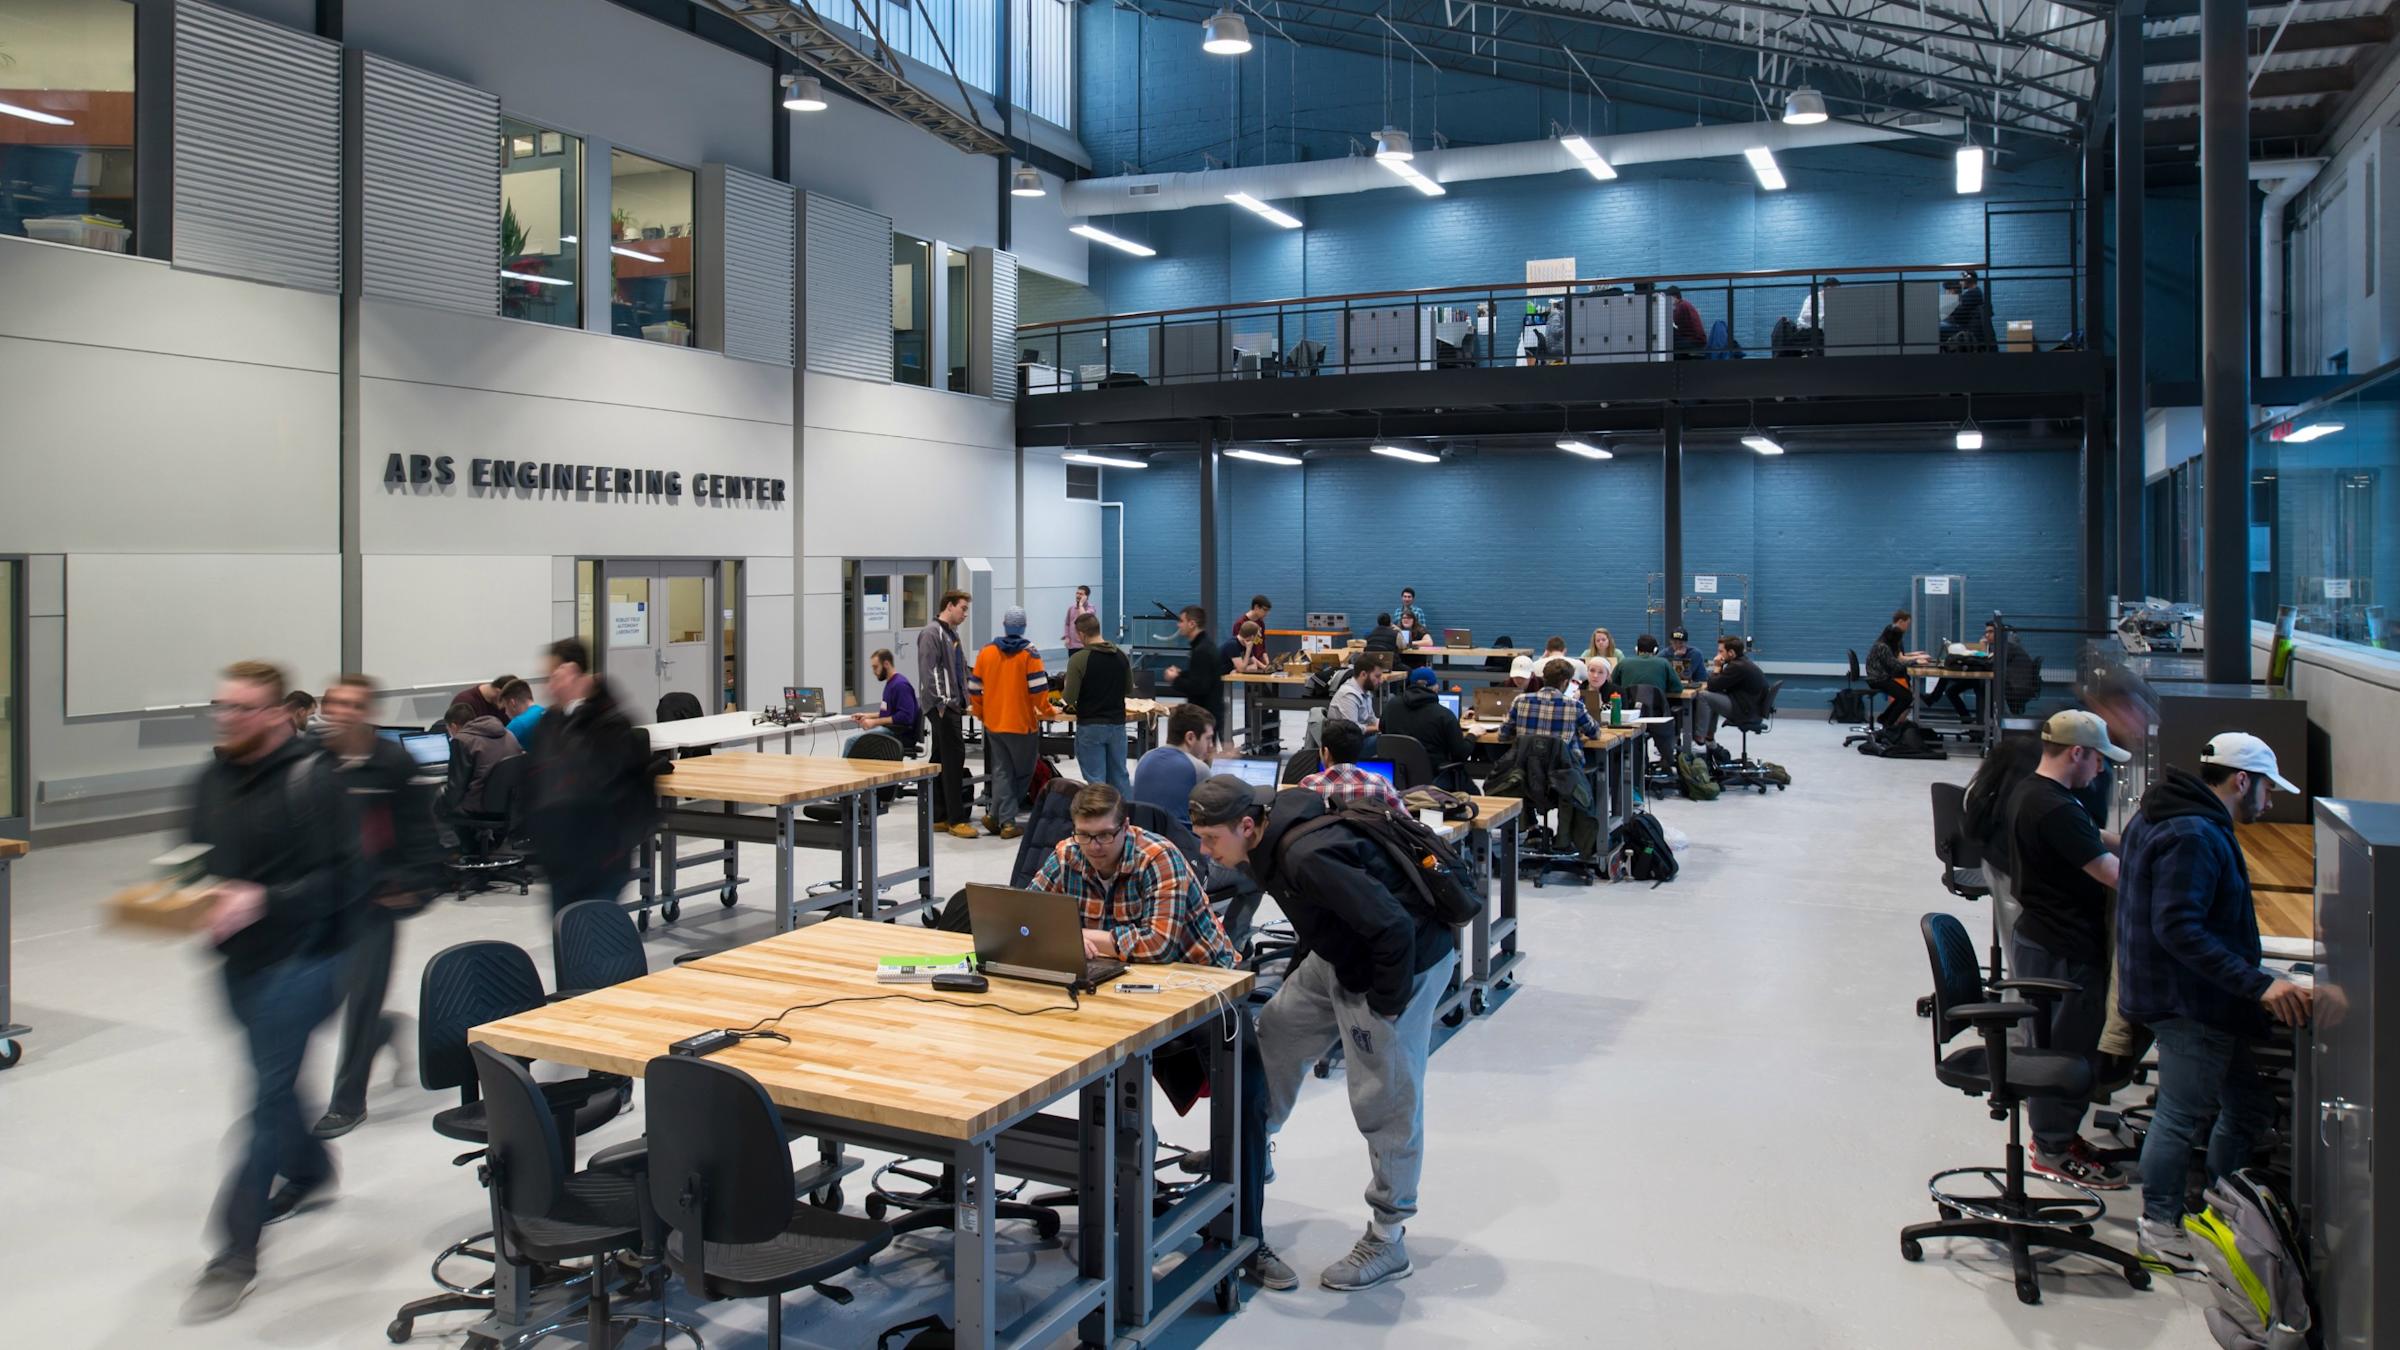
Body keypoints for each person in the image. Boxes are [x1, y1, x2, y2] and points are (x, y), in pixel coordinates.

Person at [1187, 773, 1459, 1293]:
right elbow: (1320, 917)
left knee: (1386, 1099)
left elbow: (1393, 929)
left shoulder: (1306, 855)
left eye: (1211, 839)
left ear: (1246, 825)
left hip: (1400, 967)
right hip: (1339, 955)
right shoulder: (1269, 839)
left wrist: (1384, 1008)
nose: (1204, 850)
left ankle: (1388, 1235)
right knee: (1275, 1036)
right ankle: (1250, 1147)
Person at [179, 660, 362, 1322]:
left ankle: (234, 1252)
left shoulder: (314, 781)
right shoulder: (209, 780)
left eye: (242, 708)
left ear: (275, 713)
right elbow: (193, 856)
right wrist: (185, 896)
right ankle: (311, 1170)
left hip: (308, 958)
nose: (228, 719)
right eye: (221, 706)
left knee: (262, 1096)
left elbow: (344, 882)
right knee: (273, 1083)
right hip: (238, 962)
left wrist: (262, 900)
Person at [2118, 733, 2309, 1267]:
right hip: (2188, 1004)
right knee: (2179, 1116)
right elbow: (2178, 928)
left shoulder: (2165, 813)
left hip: (2191, 996)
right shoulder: (2195, 833)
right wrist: (2261, 983)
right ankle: (2159, 1228)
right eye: (2267, 788)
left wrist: (2252, 971)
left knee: (2248, 1108)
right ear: (2241, 780)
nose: (2270, 802)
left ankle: (2222, 1213)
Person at [2006, 711, 2132, 1189]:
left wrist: (2144, 843)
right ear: (2077, 753)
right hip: (2060, 946)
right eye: (2099, 759)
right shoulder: (2054, 806)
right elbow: (2112, 873)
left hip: (2047, 934)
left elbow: (2093, 840)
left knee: (2060, 1044)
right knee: (2064, 1050)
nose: (2102, 770)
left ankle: (2058, 1136)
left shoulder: (2042, 794)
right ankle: (2053, 1147)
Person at [311, 674, 439, 1140]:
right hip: (324, 902)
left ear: (367, 712)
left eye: (352, 704)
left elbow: (421, 830)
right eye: (334, 703)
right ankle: (383, 1033)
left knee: (361, 999)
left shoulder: (391, 764)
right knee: (329, 996)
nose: (341, 711)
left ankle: (348, 1103)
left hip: (374, 901)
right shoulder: (314, 762)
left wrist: (416, 884)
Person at [1034, 782, 1238, 968]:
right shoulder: (1067, 854)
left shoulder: (1158, 857)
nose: (1094, 846)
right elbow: (1023, 918)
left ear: (1125, 827)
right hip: (1123, 967)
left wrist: (1075, 937)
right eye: (1085, 835)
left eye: (1105, 835)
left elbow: (1159, 947)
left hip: (1200, 973)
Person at [523, 638, 658, 915]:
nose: (549, 686)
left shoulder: (608, 723)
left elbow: (592, 777)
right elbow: (536, 782)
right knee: (566, 942)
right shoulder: (549, 724)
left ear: (572, 672)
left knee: (592, 943)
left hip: (600, 862)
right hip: (559, 863)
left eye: (554, 676)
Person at [969, 607, 1052, 840]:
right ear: (1023, 627)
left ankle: (995, 816)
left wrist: (980, 712)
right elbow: (1038, 689)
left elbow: (974, 687)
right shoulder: (1030, 653)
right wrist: (1048, 710)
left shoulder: (986, 652)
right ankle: (1007, 822)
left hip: (994, 724)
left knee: (1002, 771)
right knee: (1024, 772)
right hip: (1022, 724)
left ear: (1004, 625)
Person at [916, 589, 977, 839]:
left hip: (953, 705)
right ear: (949, 606)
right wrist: (944, 704)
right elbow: (929, 672)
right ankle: (955, 819)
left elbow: (959, 670)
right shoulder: (932, 633)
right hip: (942, 707)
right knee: (954, 760)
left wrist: (968, 699)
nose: (965, 614)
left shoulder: (952, 634)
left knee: (941, 759)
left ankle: (939, 815)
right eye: (963, 608)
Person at [1061, 612, 1132, 795]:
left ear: (1082, 634)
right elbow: (1128, 690)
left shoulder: (1078, 659)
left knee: (1096, 780)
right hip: (1117, 725)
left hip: (1091, 725)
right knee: (1120, 776)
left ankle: (1100, 820)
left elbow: (1069, 698)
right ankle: (1128, 817)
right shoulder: (1121, 656)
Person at [1379, 665, 1474, 778]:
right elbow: (1460, 754)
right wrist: (1472, 735)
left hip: (1396, 776)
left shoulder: (1391, 706)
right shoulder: (1444, 715)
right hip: (1435, 779)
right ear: (1435, 688)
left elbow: (1383, 730)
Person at [1131, 703, 1217, 826]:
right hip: (1182, 841)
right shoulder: (1198, 768)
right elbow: (1210, 816)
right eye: (1208, 739)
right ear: (1190, 737)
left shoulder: (1145, 758)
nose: (1211, 746)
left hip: (1145, 838)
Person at [1501, 657, 1600, 761]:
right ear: (1566, 682)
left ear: (1544, 678)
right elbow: (1595, 733)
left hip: (1527, 768)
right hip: (1563, 770)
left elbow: (1502, 734)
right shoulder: (1575, 705)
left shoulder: (1520, 700)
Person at [1302, 718, 1406, 812]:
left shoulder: (1308, 785)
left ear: (1326, 753)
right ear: (1359, 751)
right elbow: (1406, 823)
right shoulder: (1381, 785)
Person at [440, 699, 523, 816]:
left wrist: (443, 800)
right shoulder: (507, 733)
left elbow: (457, 787)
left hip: (481, 806)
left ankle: (465, 834)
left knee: (438, 803)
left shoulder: (462, 740)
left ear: (453, 727)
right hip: (513, 802)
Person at [1693, 636, 1767, 747]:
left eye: (1721, 651)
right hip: (1750, 708)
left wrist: (1717, 667)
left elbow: (1713, 685)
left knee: (1703, 696)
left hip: (1744, 712)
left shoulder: (1737, 667)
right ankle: (1709, 737)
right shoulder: (1742, 663)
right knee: (1714, 696)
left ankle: (1699, 737)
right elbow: (1718, 685)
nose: (1718, 655)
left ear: (1731, 653)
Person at [1162, 604, 1230, 726]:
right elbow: (1201, 674)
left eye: (1182, 621)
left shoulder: (1202, 650)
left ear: (1192, 624)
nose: (1179, 625)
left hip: (1203, 716)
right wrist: (1181, 674)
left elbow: (1199, 687)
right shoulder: (1205, 645)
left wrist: (1175, 679)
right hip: (1207, 715)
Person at [851, 647, 922, 753]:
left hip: (899, 734)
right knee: (857, 742)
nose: (874, 672)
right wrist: (867, 716)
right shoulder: (891, 683)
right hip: (892, 729)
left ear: (886, 664)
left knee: (852, 742)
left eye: (875, 667)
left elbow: (905, 716)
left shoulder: (900, 685)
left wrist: (874, 722)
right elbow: (889, 713)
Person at [1864, 624, 1915, 730]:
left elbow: (1893, 663)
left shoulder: (1881, 644)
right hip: (1878, 679)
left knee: (1905, 696)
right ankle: (1888, 724)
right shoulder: (1883, 647)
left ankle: (1885, 718)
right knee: (1907, 697)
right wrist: (1914, 662)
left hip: (1878, 677)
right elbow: (1895, 666)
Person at [1328, 654, 1383, 735]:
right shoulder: (1348, 695)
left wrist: (1387, 724)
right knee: (1387, 743)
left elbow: (1372, 720)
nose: (1380, 681)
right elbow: (1353, 730)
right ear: (1363, 674)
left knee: (1391, 738)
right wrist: (1377, 728)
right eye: (1377, 676)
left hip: (1359, 739)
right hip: (1346, 742)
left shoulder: (1366, 692)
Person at [498, 677, 546, 749]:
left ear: (512, 703)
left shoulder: (517, 724)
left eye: (505, 707)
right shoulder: (547, 712)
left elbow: (499, 750)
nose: (505, 712)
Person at [448, 673, 514, 725]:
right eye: (506, 702)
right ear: (499, 692)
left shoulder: (498, 702)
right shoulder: (464, 701)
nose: (504, 707)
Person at [1665, 285, 1707, 353]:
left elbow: (1672, 320)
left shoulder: (1681, 306)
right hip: (1695, 339)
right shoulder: (1684, 304)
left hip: (1695, 341)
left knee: (1670, 335)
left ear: (1674, 297)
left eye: (1667, 298)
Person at [1062, 584, 1095, 652]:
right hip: (1072, 646)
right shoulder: (1071, 608)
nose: (1078, 595)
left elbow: (1083, 617)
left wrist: (1080, 604)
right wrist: (1067, 637)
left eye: (1081, 594)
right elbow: (1067, 624)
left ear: (1086, 596)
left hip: (1084, 646)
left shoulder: (1091, 608)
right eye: (1077, 593)